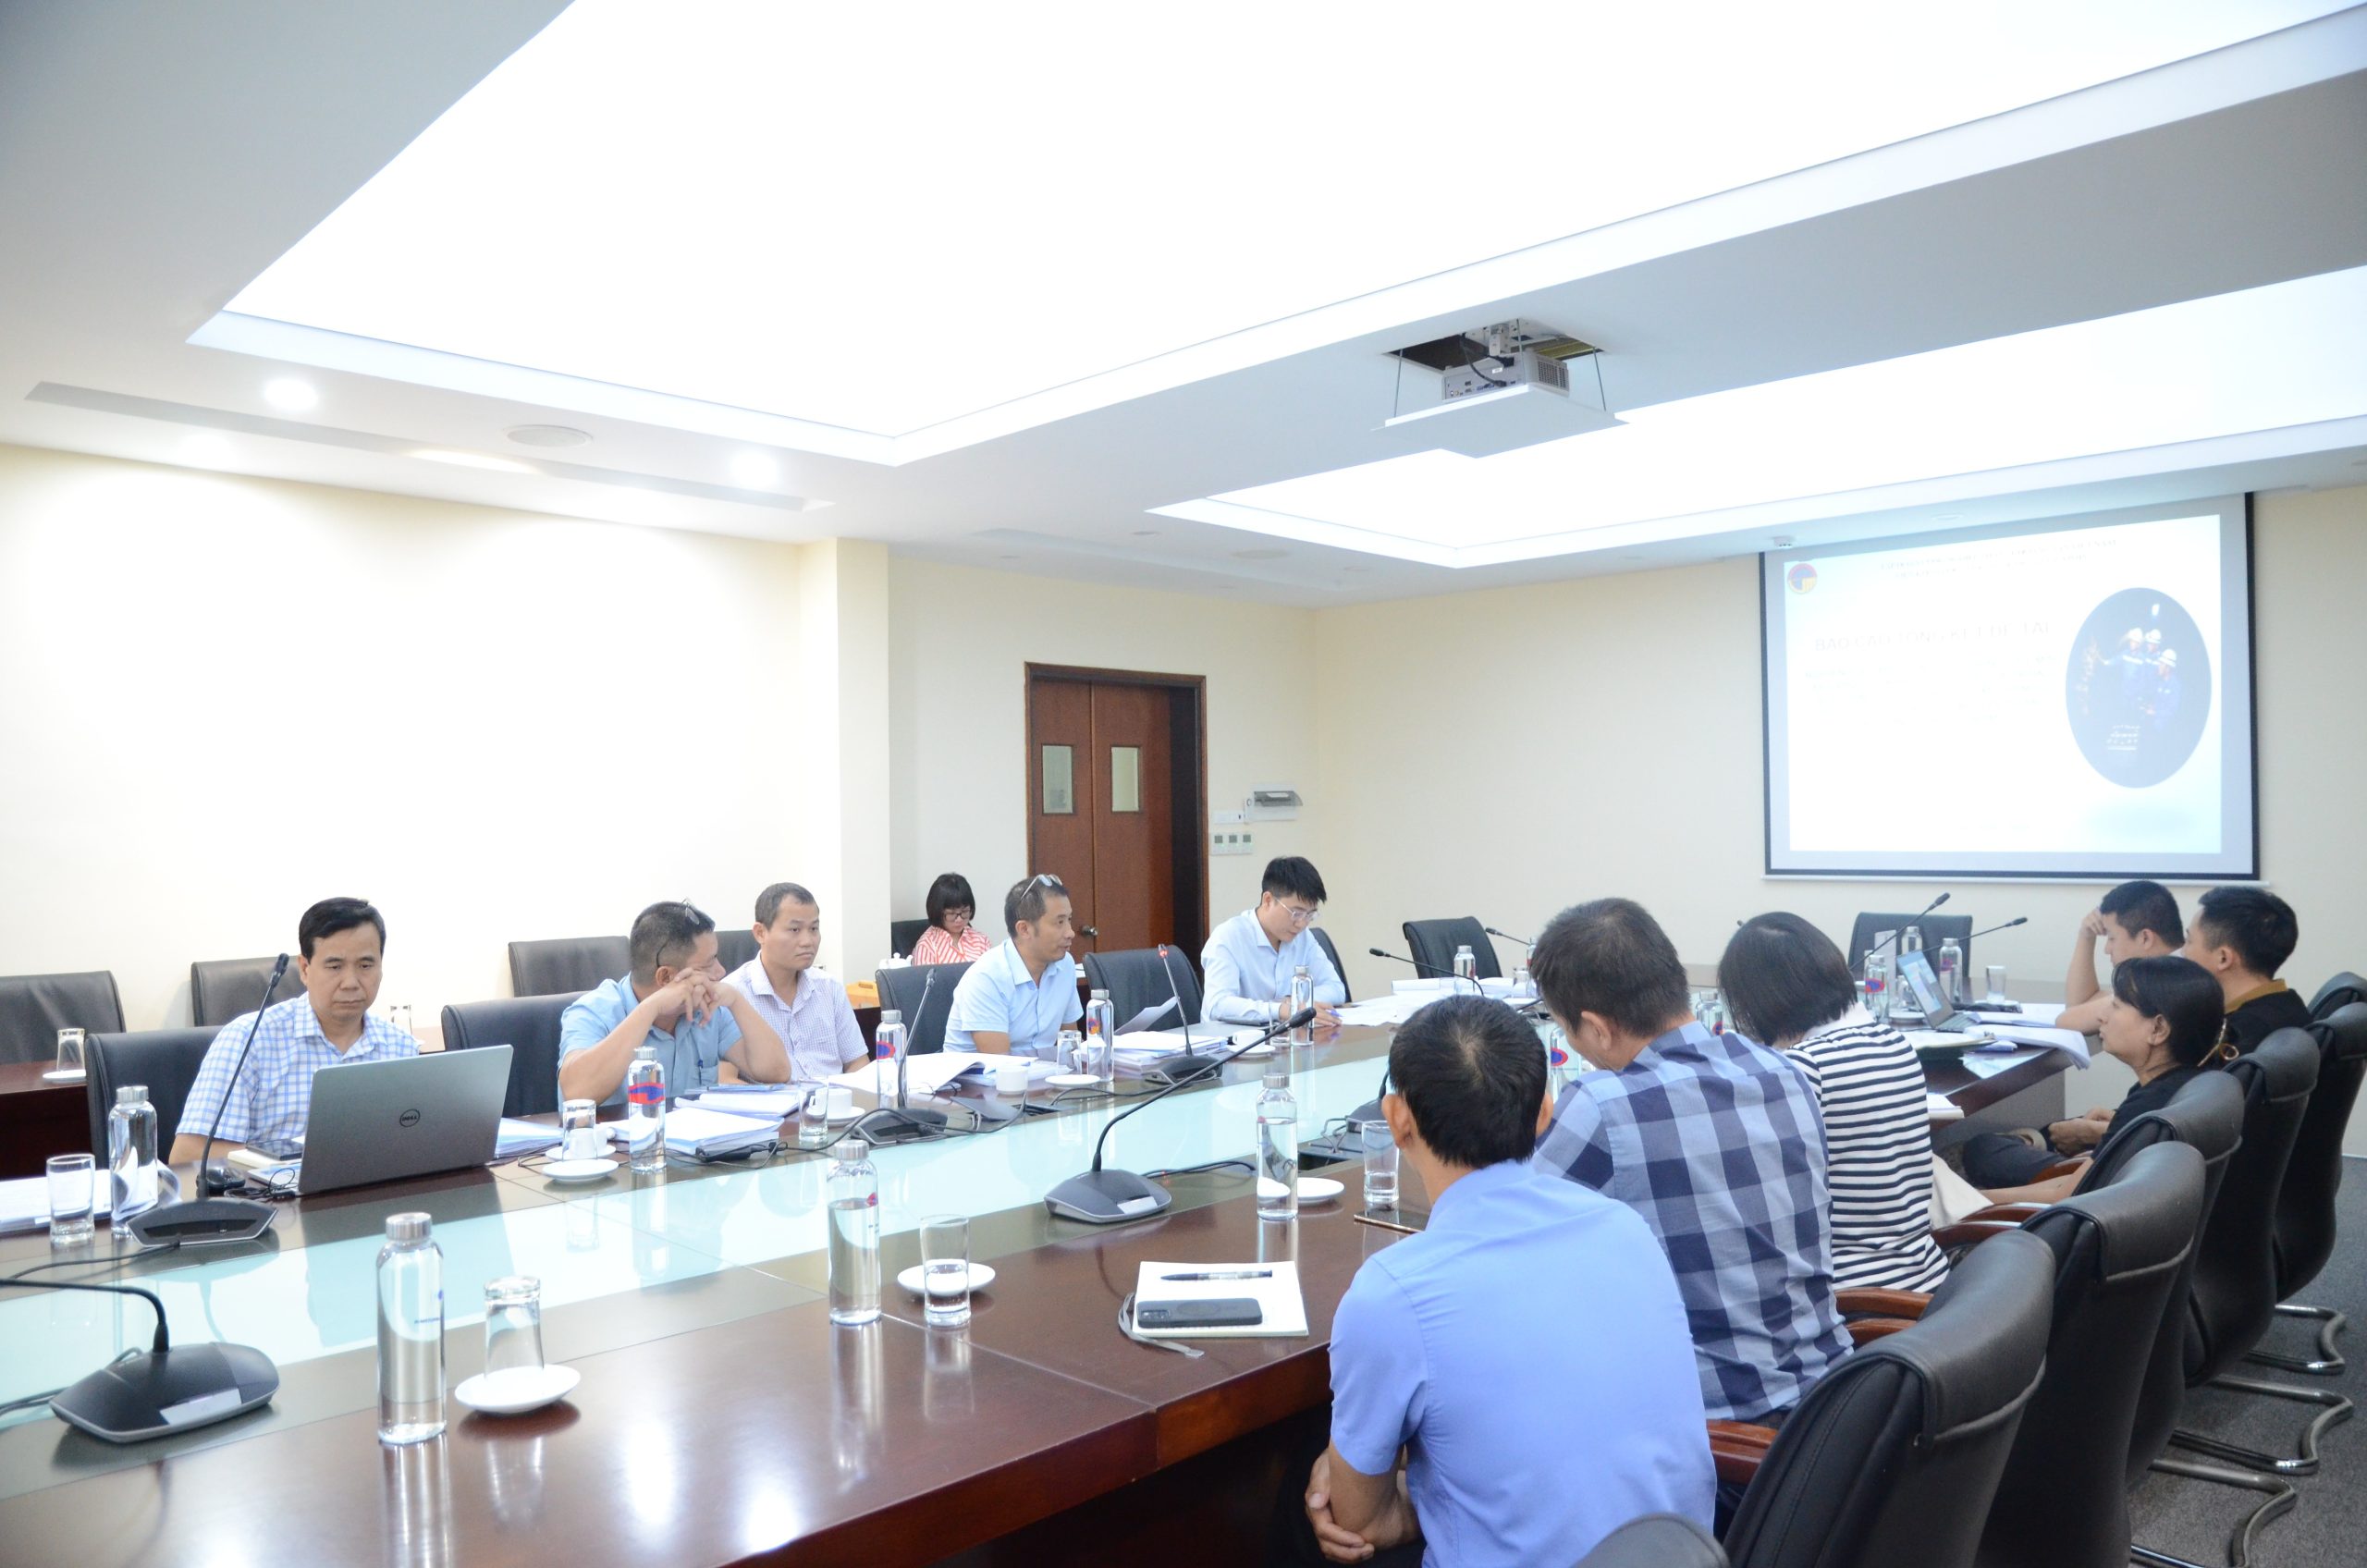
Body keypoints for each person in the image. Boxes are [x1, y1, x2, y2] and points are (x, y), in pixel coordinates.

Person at [1296, 996, 1714, 1567]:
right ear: (1545, 1113)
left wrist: (1368, 1481)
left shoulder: (1394, 1295)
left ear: (1396, 1119)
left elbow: (1360, 1523)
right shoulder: (1626, 1228)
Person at [1528, 898, 1852, 1425]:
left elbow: (1510, 1242)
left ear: (1597, 1028)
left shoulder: (1604, 1106)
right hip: (1835, 1401)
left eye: (1568, 1031)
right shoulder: (1782, 1071)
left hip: (1721, 1428)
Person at [1718, 913, 1948, 1292]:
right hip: (1925, 1277)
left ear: (1760, 1001)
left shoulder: (1805, 1068)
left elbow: (1758, 1197)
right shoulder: (1894, 1042)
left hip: (1852, 1294)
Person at [172, 898, 415, 1161]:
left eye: (365, 966)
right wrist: (299, 1165)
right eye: (335, 966)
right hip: (270, 1187)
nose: (350, 982)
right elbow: (188, 1154)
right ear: (305, 969)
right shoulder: (247, 1040)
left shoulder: (401, 1047)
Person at [1961, 955, 2230, 1194]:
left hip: (2074, 1225)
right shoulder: (2185, 1082)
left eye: (2116, 1005)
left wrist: (1967, 1205)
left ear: (2158, 1029)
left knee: (1981, 1153)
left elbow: (2065, 1196)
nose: (2102, 1016)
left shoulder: (2148, 1107)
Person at [558, 900, 789, 1105]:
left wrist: (737, 1001)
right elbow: (577, 1093)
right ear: (666, 977)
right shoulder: (593, 1011)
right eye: (708, 964)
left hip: (695, 1139)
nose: (721, 972)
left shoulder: (706, 1009)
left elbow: (776, 1072)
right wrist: (650, 1008)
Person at [726, 882, 865, 1083]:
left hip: (835, 1099)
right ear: (760, 933)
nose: (808, 941)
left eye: (814, 929)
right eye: (794, 930)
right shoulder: (733, 995)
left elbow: (857, 1063)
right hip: (774, 1101)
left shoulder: (829, 987)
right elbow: (726, 1080)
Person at [942, 874, 1082, 1056]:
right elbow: (1000, 1065)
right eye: (1060, 922)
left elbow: (1071, 1048)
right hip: (983, 1073)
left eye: (1069, 919)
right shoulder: (986, 978)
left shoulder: (1065, 965)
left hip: (1041, 1071)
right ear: (1024, 929)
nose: (1070, 932)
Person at [1202, 855, 1346, 1028]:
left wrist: (1294, 1002)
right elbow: (1218, 1005)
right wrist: (1281, 1010)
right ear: (1268, 900)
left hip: (1285, 1036)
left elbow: (1336, 988)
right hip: (1232, 1040)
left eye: (1310, 915)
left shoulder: (1303, 937)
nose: (1301, 924)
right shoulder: (1228, 937)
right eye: (1296, 913)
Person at [2183, 886, 2310, 1052]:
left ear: (2223, 958)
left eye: (2189, 941)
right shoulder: (2288, 1004)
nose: (2183, 951)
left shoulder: (2239, 1036)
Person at [2057, 879, 2185, 1035]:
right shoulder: (2183, 969)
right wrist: (2086, 935)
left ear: (2145, 938)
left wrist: (2085, 935)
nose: (2107, 949)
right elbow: (2082, 1004)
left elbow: (2068, 1021)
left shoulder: (2162, 982)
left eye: (2112, 938)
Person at [910, 872, 990, 965]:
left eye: (964, 911)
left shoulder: (981, 941)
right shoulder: (927, 946)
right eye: (952, 913)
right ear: (938, 911)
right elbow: (925, 975)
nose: (959, 919)